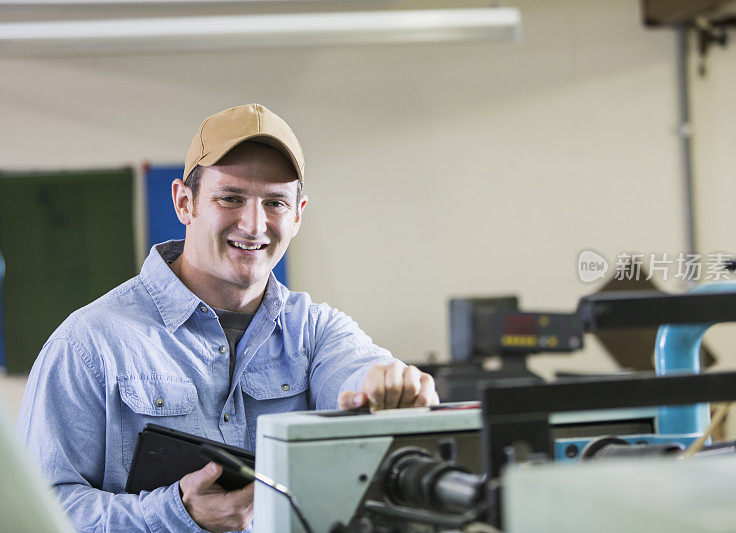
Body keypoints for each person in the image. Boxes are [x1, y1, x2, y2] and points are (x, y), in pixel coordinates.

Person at [17, 104, 438, 533]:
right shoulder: (89, 344)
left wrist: (384, 387)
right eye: (231, 198)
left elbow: (355, 372)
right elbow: (36, 516)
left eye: (274, 203)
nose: (254, 225)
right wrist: (177, 513)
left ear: (297, 215)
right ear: (185, 202)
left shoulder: (314, 332)